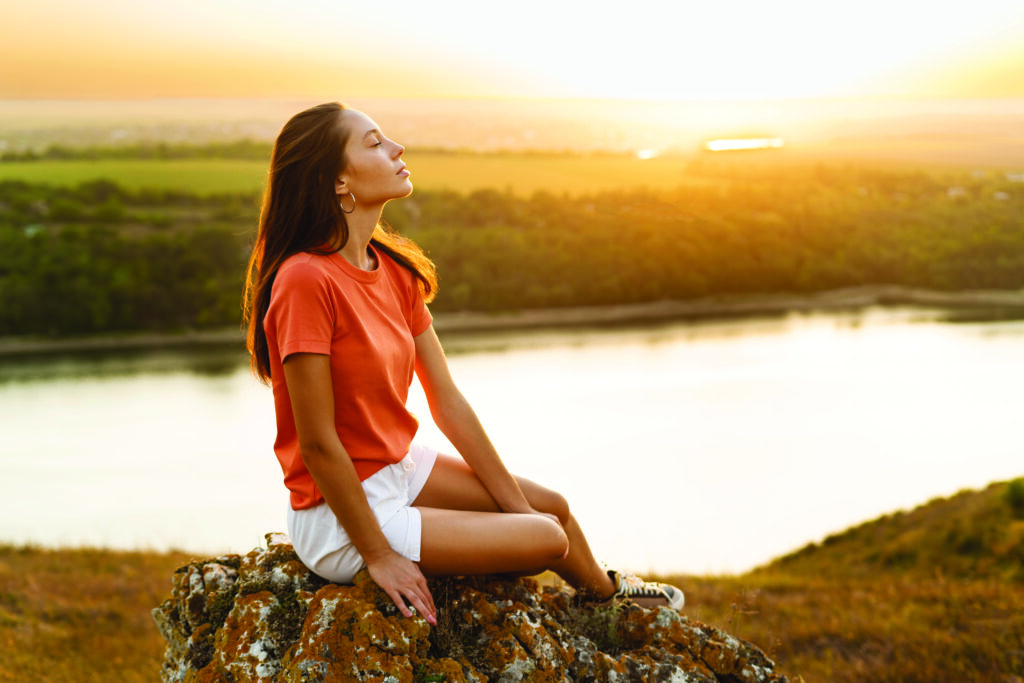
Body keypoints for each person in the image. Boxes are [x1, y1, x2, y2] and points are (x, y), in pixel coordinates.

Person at [242, 102, 684, 626]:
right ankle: (576, 586)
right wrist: (381, 555)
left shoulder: (395, 271)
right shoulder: (305, 280)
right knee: (547, 538)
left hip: (396, 468)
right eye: (375, 143)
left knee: (552, 509)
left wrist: (514, 506)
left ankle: (607, 600)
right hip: (341, 516)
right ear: (339, 182)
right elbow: (316, 442)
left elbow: (447, 402)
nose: (396, 149)